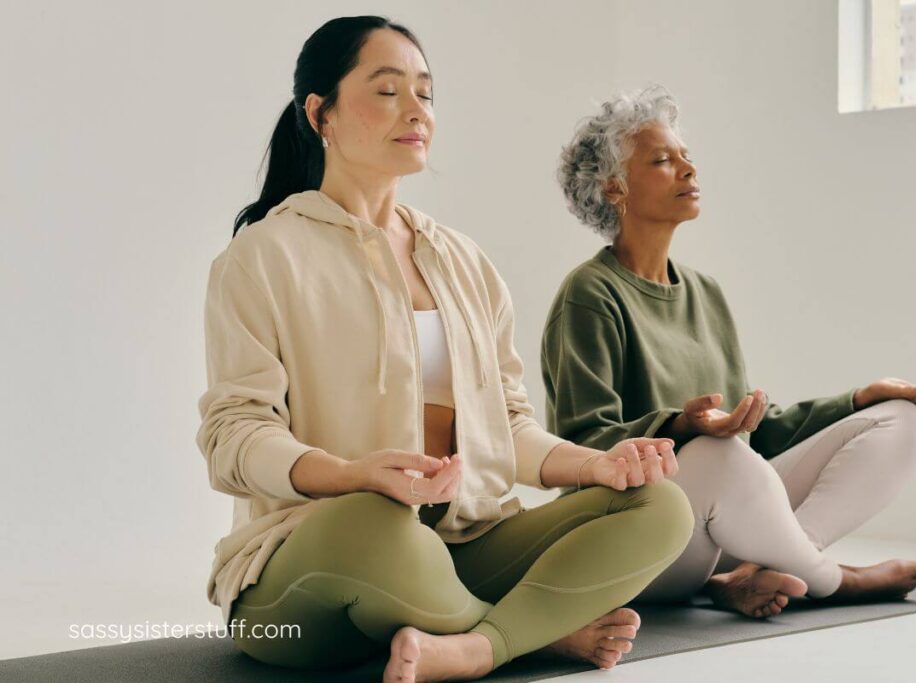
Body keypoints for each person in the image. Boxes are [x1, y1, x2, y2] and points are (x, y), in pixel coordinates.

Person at [195, 18, 695, 681]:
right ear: (322, 113)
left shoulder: (463, 261)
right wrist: (354, 475)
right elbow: (235, 436)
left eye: (425, 93)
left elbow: (509, 427)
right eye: (387, 90)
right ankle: (533, 631)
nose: (416, 110)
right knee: (381, 526)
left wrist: (597, 465)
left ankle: (473, 644)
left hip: (463, 543)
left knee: (661, 505)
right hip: (314, 566)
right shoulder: (260, 257)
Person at [543, 84, 916, 619]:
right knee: (720, 455)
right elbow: (582, 444)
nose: (689, 171)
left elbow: (754, 430)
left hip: (726, 518)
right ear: (614, 190)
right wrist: (681, 427)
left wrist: (862, 397)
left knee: (902, 422)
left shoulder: (706, 293)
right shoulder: (589, 293)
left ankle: (763, 571)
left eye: (686, 158)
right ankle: (833, 580)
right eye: (662, 161)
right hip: (640, 534)